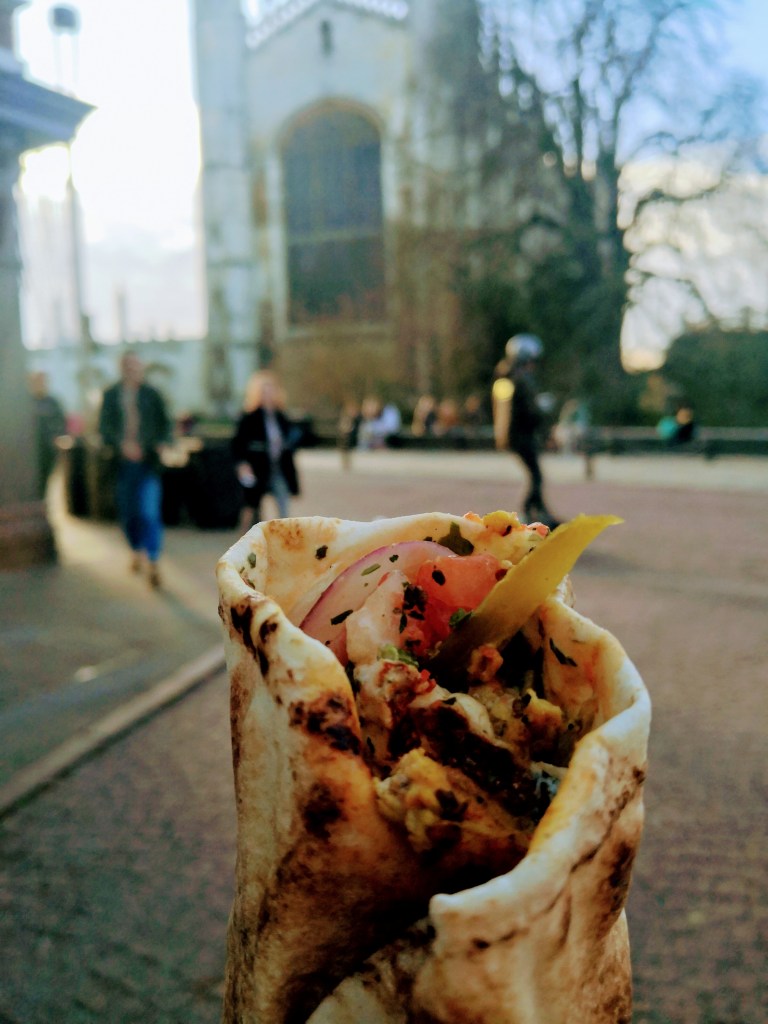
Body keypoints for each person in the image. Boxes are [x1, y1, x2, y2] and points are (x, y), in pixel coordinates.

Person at [98, 352, 171, 588]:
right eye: (128, 366)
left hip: (148, 464)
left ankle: (153, 560)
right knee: (129, 514)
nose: (133, 370)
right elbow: (104, 428)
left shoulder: (152, 394)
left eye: (136, 366)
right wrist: (122, 446)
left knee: (149, 512)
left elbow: (165, 425)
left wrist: (160, 443)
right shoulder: (111, 395)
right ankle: (135, 549)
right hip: (122, 465)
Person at [492, 333, 559, 528]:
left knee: (535, 475)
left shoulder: (505, 378)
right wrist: (543, 416)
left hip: (511, 435)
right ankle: (527, 512)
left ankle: (539, 511)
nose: (533, 365)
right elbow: (529, 410)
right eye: (531, 360)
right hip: (521, 435)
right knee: (536, 476)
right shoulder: (521, 379)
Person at [231, 370, 302, 533]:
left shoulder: (281, 417)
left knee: (283, 502)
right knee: (251, 504)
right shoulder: (249, 417)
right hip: (257, 467)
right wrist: (242, 464)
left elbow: (288, 441)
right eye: (264, 392)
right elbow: (238, 444)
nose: (268, 396)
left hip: (278, 468)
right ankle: (243, 537)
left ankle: (285, 537)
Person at [28, 370, 67, 500]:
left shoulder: (53, 402)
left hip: (49, 450)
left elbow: (61, 423)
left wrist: (58, 438)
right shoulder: (26, 403)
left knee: (46, 481)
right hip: (30, 450)